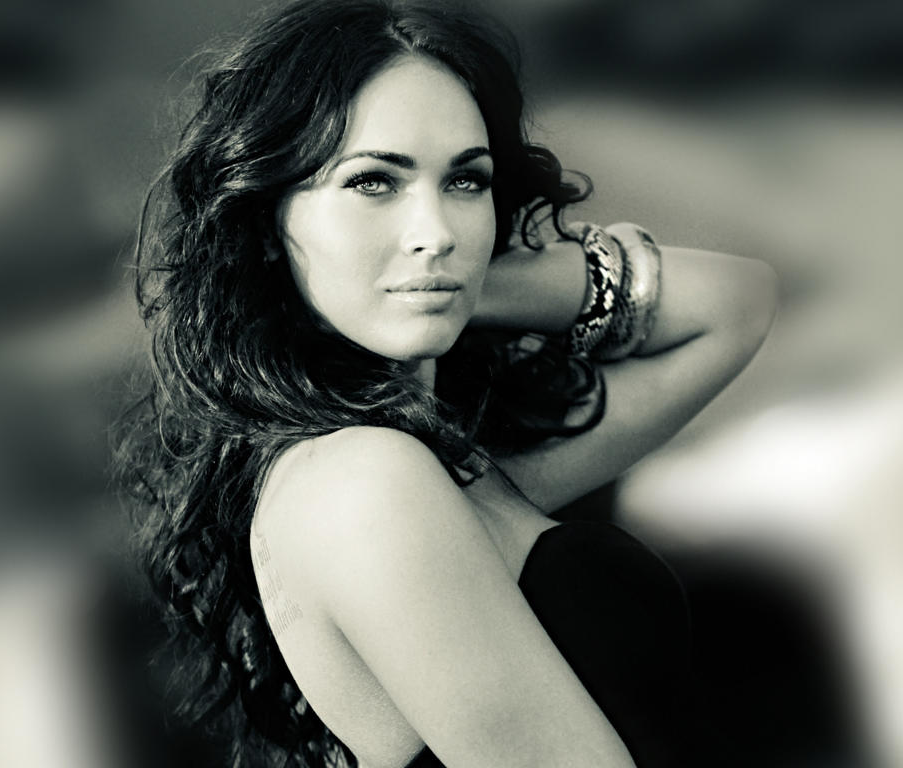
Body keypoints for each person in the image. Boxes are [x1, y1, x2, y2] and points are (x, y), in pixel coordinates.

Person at [117, 0, 777, 765]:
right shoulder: (363, 481)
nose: (436, 232)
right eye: (373, 182)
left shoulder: (456, 460)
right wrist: (411, 287)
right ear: (267, 221)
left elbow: (737, 304)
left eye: (466, 181)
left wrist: (445, 288)